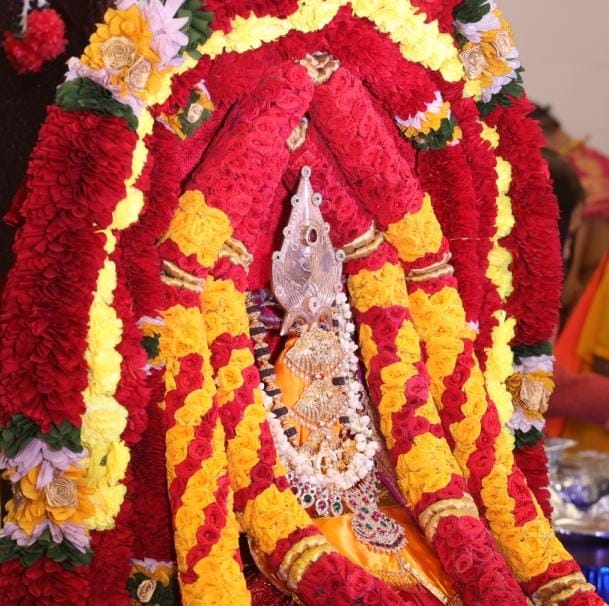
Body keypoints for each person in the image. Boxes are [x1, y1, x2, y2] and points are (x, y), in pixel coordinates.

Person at [0, 2, 603, 605]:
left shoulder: (388, 264)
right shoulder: (203, 265)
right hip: (230, 442)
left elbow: (420, 269)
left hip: (374, 460)